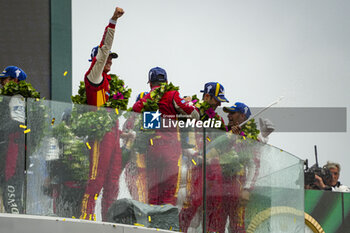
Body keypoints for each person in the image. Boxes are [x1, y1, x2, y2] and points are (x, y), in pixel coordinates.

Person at [80, 6, 125, 221]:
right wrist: (113, 22)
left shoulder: (109, 82)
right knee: (96, 180)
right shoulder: (94, 76)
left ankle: (108, 220)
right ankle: (86, 218)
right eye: (106, 59)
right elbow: (105, 48)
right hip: (100, 136)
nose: (109, 61)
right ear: (97, 60)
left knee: (113, 181)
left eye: (111, 60)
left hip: (114, 135)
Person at [133, 67, 199, 206]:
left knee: (153, 192)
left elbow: (135, 110)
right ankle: (166, 227)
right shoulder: (172, 94)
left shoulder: (146, 98)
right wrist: (189, 103)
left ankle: (151, 226)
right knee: (169, 193)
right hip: (171, 151)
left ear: (150, 83)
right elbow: (193, 114)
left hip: (152, 151)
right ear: (167, 81)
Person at [179, 82, 230, 232]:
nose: (219, 103)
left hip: (213, 166)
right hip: (194, 164)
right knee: (193, 202)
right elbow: (179, 129)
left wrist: (231, 134)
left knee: (215, 204)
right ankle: (179, 230)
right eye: (217, 99)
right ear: (207, 96)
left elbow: (223, 145)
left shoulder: (218, 120)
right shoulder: (191, 109)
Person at [0, 66, 28, 214]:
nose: (3, 82)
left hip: (13, 149)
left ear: (16, 80)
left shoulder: (17, 98)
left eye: (6, 78)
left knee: (11, 194)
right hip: (8, 149)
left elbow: (17, 124)